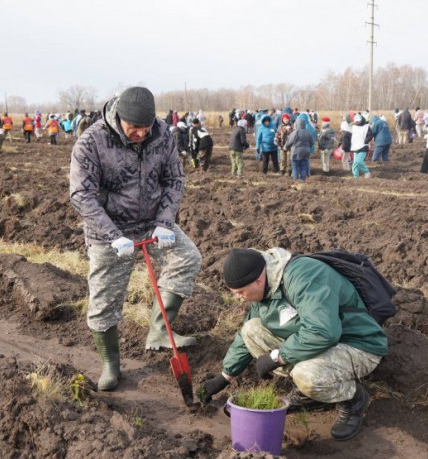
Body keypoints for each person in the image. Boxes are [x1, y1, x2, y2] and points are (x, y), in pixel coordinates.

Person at [69, 86, 202, 392]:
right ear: (119, 119)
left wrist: (165, 223)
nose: (141, 135)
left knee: (187, 257)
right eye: (134, 129)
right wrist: (112, 236)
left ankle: (158, 330)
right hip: (110, 231)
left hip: (152, 225)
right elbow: (81, 195)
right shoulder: (92, 141)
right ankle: (110, 365)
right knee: (103, 302)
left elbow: (174, 179)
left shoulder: (163, 135)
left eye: (146, 128)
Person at [198, 247, 388, 441]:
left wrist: (277, 357)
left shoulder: (305, 277)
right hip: (322, 345)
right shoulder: (267, 284)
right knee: (252, 330)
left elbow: (323, 332)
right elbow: (245, 333)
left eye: (240, 292)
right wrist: (224, 377)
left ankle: (352, 398)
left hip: (357, 344)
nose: (238, 298)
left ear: (258, 280)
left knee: (307, 374)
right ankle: (312, 394)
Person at [284, 116, 313, 182]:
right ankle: (302, 180)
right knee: (303, 167)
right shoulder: (307, 132)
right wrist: (307, 147)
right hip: (306, 153)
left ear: (296, 124)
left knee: (295, 168)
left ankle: (296, 181)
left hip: (296, 153)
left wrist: (286, 147)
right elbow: (312, 142)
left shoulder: (295, 133)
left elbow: (289, 142)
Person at [351, 114, 373, 179]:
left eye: (358, 121)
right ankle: (355, 177)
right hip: (355, 146)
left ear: (361, 120)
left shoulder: (367, 126)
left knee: (359, 161)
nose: (357, 122)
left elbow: (370, 135)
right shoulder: (354, 127)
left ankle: (367, 172)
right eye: (356, 121)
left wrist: (365, 141)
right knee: (355, 163)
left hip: (363, 147)